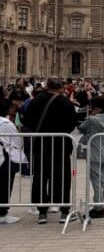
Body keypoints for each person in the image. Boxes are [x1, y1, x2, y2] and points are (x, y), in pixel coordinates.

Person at [23, 77, 78, 224]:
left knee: (40, 176)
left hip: (41, 143)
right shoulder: (65, 102)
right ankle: (64, 212)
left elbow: (27, 121)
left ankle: (42, 212)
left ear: (47, 86)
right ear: (60, 87)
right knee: (62, 177)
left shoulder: (36, 101)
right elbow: (72, 123)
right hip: (60, 144)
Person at [77, 96, 104, 219]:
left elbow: (81, 128)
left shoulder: (92, 120)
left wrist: (90, 115)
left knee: (96, 180)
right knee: (103, 180)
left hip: (94, 152)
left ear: (95, 107)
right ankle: (100, 204)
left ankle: (99, 208)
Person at [0, 97, 25, 224]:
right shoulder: (7, 124)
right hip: (5, 157)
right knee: (5, 185)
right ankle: (2, 213)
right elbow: (17, 142)